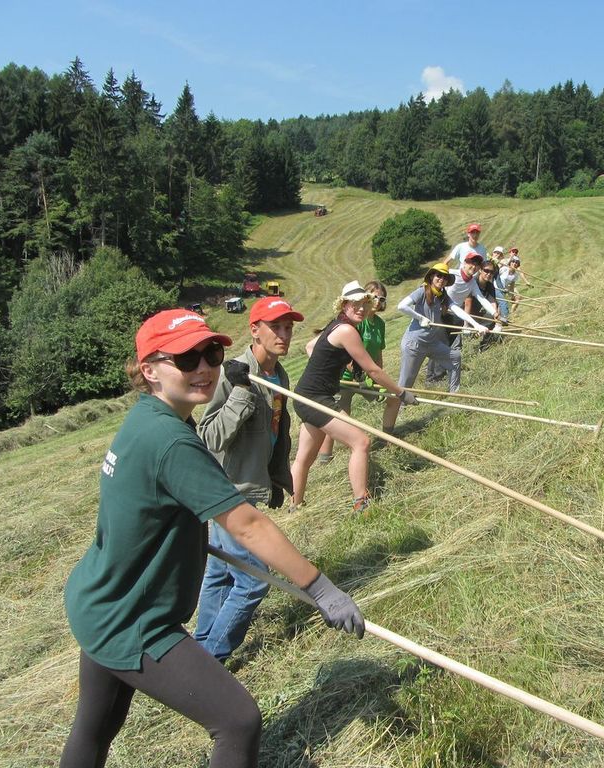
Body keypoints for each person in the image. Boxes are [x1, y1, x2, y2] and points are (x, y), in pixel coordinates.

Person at [60, 308, 363, 768]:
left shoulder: (149, 420)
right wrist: (319, 588)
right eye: (186, 359)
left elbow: (149, 509)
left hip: (98, 599)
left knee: (95, 728)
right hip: (131, 618)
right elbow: (247, 524)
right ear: (149, 371)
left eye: (211, 352)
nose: (203, 367)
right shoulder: (170, 440)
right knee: (237, 721)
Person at [192, 296, 304, 663]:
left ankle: (201, 646)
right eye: (276, 327)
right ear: (254, 329)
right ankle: (210, 660)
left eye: (289, 327)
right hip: (226, 490)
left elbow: (275, 431)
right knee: (254, 580)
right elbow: (208, 436)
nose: (284, 334)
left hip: (247, 484)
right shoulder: (233, 372)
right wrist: (241, 392)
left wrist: (274, 478)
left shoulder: (279, 374)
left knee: (221, 572)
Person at [291, 281, 417, 514]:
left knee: (304, 459)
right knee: (361, 442)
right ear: (344, 305)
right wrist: (401, 393)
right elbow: (374, 370)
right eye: (355, 304)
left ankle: (294, 506)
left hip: (304, 395)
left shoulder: (336, 325)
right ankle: (361, 502)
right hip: (316, 399)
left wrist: (331, 368)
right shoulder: (347, 330)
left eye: (365, 304)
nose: (361, 308)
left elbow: (312, 347)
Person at [382, 263, 475, 432]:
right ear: (431, 276)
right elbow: (401, 306)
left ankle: (454, 395)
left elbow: (458, 310)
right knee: (405, 382)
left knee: (455, 356)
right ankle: (397, 414)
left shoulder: (443, 296)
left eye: (444, 277)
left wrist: (475, 325)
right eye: (438, 275)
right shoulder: (422, 291)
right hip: (414, 344)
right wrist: (419, 318)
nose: (441, 279)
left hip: (431, 343)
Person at [316, 280, 388, 464]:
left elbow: (378, 354)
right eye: (374, 297)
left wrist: (378, 378)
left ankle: (387, 437)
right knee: (337, 415)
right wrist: (360, 375)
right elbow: (347, 356)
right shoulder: (357, 323)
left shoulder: (379, 324)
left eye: (382, 298)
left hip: (367, 377)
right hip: (346, 379)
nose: (378, 301)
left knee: (392, 397)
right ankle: (325, 456)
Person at [425, 252, 497, 389]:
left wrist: (494, 313)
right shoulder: (451, 274)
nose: (474, 267)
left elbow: (481, 298)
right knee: (438, 345)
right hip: (440, 315)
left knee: (446, 347)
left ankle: (439, 374)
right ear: (464, 263)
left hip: (456, 316)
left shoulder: (472, 283)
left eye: (477, 264)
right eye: (471, 263)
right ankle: (431, 378)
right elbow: (432, 283)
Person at [495, 251, 524, 321]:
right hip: (496, 287)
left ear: (518, 265)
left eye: (516, 262)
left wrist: (512, 296)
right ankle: (501, 319)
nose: (514, 263)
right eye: (513, 262)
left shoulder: (515, 275)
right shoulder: (504, 269)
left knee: (517, 299)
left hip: (504, 290)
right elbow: (495, 276)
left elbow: (511, 286)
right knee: (502, 304)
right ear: (510, 262)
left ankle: (509, 315)